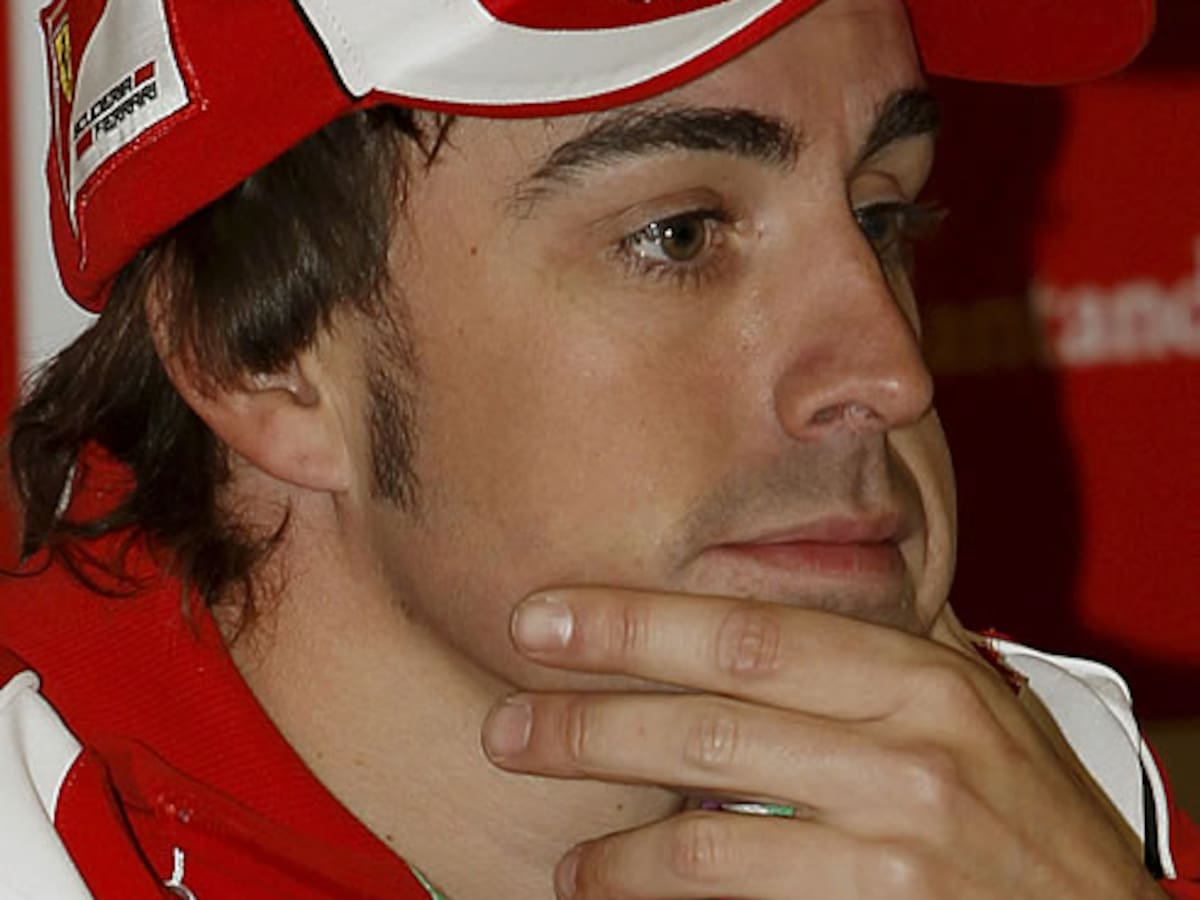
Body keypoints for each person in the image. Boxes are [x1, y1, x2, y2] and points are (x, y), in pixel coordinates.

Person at [2, 0, 1197, 897]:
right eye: (679, 235)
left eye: (881, 215)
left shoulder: (1036, 804)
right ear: (252, 358)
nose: (889, 372)